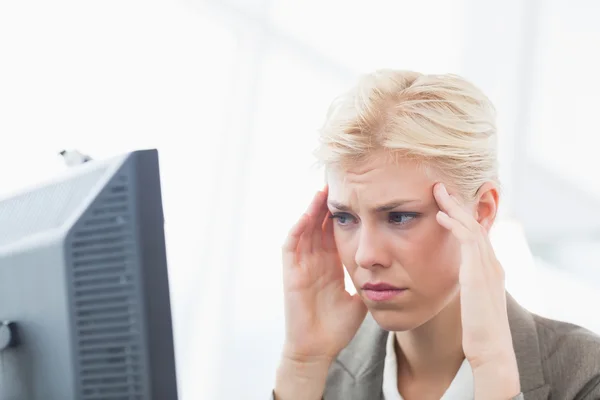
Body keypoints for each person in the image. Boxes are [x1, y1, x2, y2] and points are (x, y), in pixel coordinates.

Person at [271, 70, 600, 400]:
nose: (365, 256)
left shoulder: (585, 375)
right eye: (345, 218)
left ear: (482, 211)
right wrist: (303, 365)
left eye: (399, 217)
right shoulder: (321, 367)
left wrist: (493, 369)